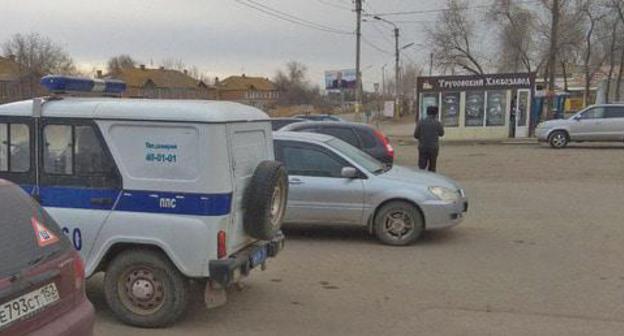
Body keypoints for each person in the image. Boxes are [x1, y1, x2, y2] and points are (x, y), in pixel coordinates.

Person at [414, 106, 444, 172]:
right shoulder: (438, 123)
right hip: (433, 148)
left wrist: (422, 137)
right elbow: (441, 134)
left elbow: (415, 135)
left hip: (423, 147)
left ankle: (422, 180)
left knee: (422, 167)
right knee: (432, 167)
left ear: (427, 112)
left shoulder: (421, 122)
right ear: (435, 114)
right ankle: (431, 180)